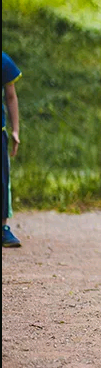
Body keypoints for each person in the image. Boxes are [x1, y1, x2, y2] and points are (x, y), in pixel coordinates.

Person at [2, 52, 22, 248]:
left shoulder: (3, 61)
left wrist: (15, 130)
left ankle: (3, 227)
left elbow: (11, 96)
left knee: (2, 179)